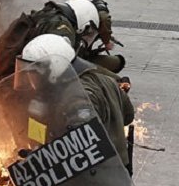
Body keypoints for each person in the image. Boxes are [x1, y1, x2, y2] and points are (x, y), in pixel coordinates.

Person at [20, 34, 135, 170]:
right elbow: (128, 116)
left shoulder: (77, 96)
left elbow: (81, 144)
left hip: (95, 177)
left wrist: (43, 157)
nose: (31, 81)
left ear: (54, 68)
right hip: (117, 167)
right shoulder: (105, 78)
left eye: (34, 75)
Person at [0, 0, 100, 83]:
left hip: (6, 70)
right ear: (85, 22)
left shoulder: (44, 14)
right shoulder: (63, 29)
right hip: (23, 79)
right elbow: (58, 68)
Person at [70, 0, 126, 74]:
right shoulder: (89, 16)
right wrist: (106, 41)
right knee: (117, 74)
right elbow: (104, 18)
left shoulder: (71, 12)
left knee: (117, 62)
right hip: (76, 62)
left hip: (75, 58)